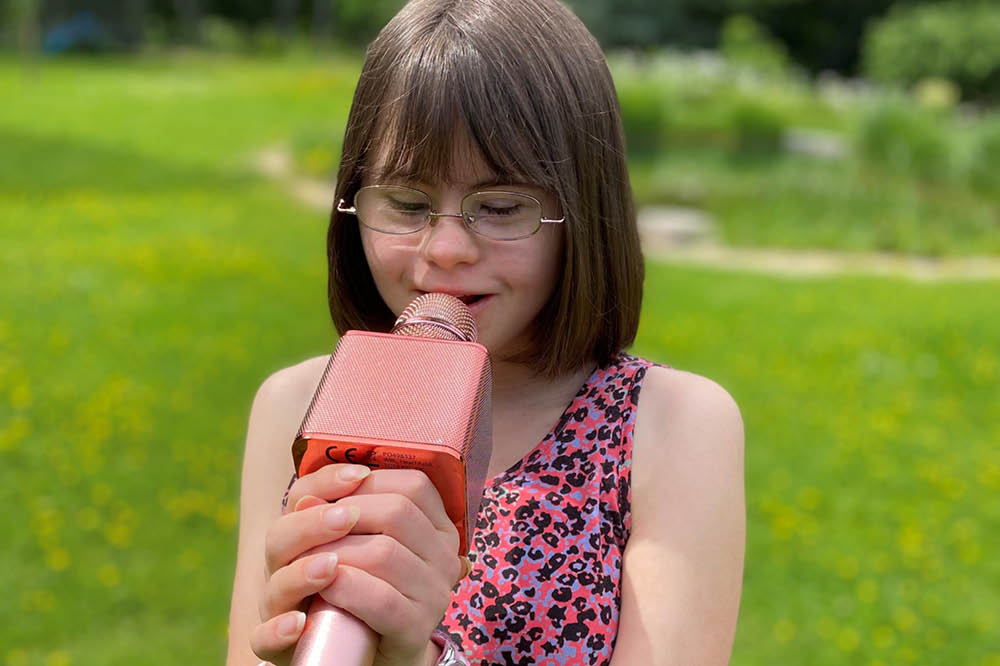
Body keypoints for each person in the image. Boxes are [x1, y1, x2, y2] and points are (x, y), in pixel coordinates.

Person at [226, 0, 745, 663]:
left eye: (500, 207)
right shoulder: (295, 407)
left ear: (583, 212)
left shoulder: (673, 426)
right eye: (406, 203)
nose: (445, 248)